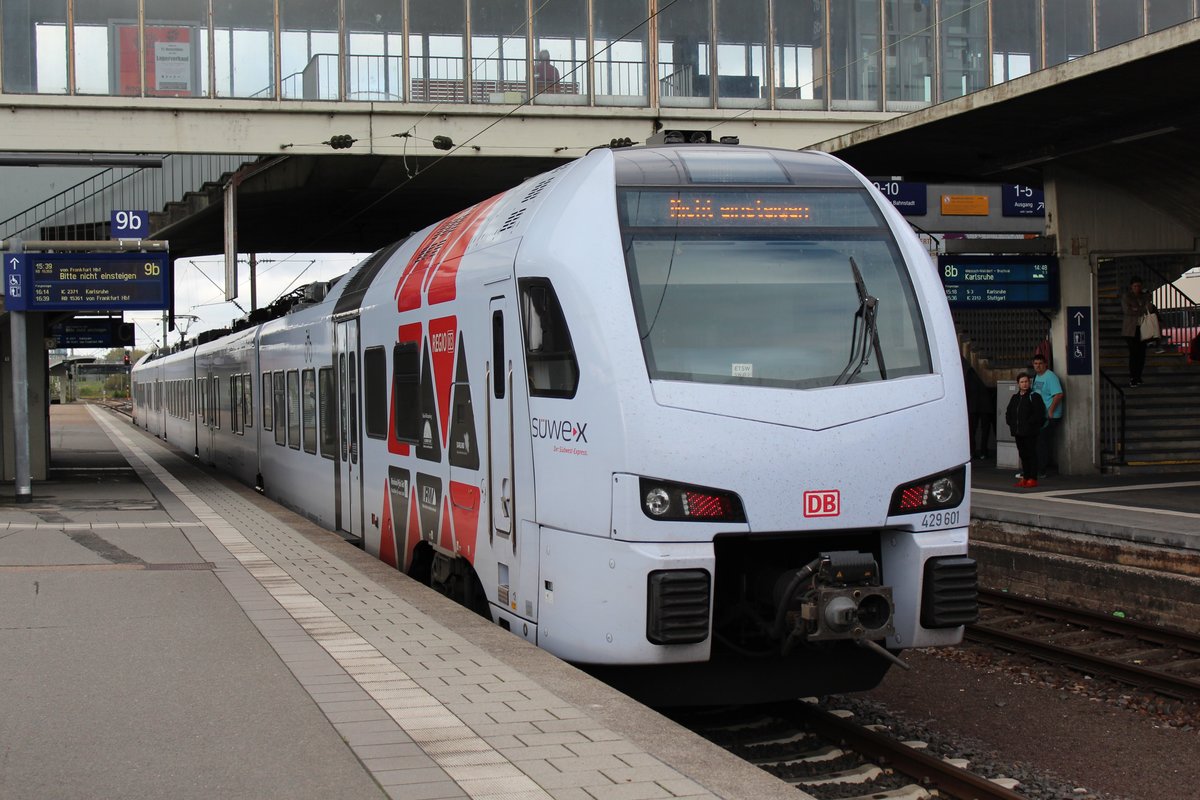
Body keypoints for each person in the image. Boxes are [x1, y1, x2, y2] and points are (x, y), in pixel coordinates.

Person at [1005, 372, 1045, 489]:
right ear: (1018, 384)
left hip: (1030, 432)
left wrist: (1029, 424)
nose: (1025, 384)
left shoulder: (1034, 396)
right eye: (1022, 382)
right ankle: (1025, 476)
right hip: (1018, 432)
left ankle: (1032, 477)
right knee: (1023, 454)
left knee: (1031, 453)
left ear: (1030, 382)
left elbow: (1039, 413)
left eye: (1026, 381)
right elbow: (1009, 412)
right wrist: (1011, 423)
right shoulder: (1015, 398)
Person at [1031, 354, 1063, 478]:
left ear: (1045, 364)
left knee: (1041, 441)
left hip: (1051, 416)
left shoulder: (1050, 377)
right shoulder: (1036, 377)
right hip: (1040, 415)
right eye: (1036, 363)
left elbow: (1058, 394)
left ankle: (1042, 469)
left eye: (1040, 363)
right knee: (1039, 441)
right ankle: (1039, 467)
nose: (1038, 366)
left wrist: (1051, 410)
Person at [1120, 276, 1155, 387]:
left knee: (1142, 354)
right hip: (1130, 329)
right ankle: (1133, 377)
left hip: (1142, 328)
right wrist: (1141, 309)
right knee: (1134, 353)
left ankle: (1138, 376)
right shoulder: (1127, 297)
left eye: (1139, 286)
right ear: (1131, 287)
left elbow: (1150, 308)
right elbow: (1127, 310)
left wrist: (1139, 307)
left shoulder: (1144, 297)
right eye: (1135, 286)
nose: (1137, 288)